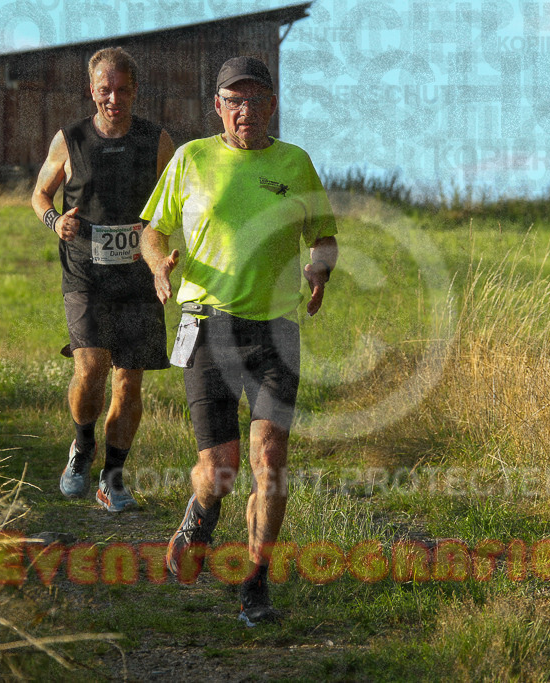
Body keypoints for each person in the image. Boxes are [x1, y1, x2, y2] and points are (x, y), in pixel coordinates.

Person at [140, 56, 339, 626]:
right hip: (207, 324)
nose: (245, 110)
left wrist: (320, 269)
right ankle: (201, 514)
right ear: (218, 106)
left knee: (270, 458)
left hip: (277, 328)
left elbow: (322, 236)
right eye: (234, 100)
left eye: (255, 99)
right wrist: (159, 266)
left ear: (272, 105)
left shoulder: (295, 163)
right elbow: (153, 230)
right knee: (221, 469)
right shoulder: (191, 158)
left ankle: (256, 582)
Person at [31, 47, 175, 513]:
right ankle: (81, 445)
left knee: (128, 382)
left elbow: (178, 202)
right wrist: (55, 220)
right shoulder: (69, 139)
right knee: (91, 368)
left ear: (135, 90)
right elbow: (40, 193)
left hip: (138, 275)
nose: (113, 98)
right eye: (104, 90)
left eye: (122, 90)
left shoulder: (157, 140)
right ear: (91, 90)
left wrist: (165, 255)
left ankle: (112, 480)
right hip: (85, 272)